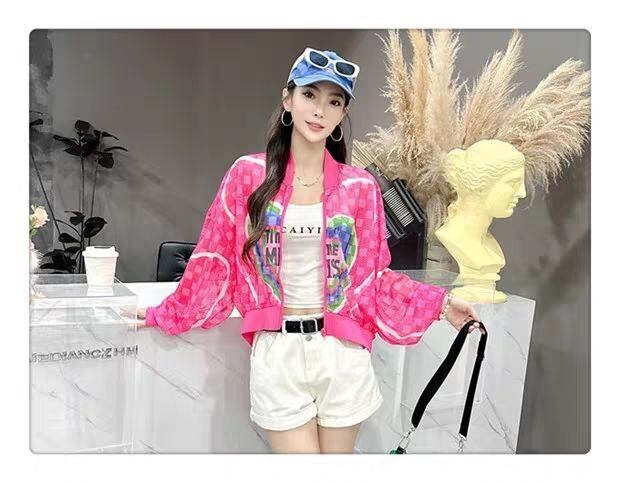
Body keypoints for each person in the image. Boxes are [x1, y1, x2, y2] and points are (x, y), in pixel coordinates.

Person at [136, 47, 483, 454]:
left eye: (334, 102)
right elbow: (214, 258)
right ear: (288, 99)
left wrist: (442, 305)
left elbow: (373, 278)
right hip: (277, 351)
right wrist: (165, 312)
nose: (320, 110)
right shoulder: (248, 175)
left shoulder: (359, 188)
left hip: (343, 356)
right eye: (309, 95)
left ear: (342, 114)